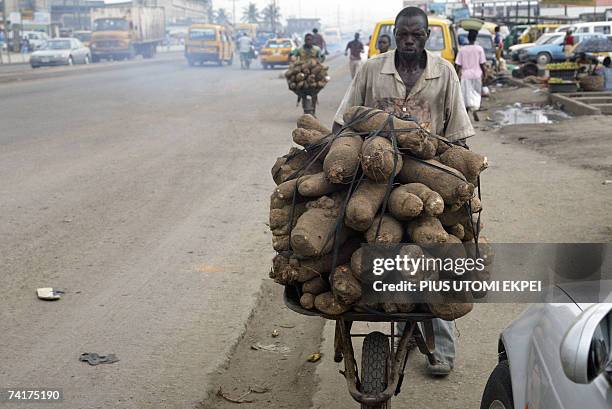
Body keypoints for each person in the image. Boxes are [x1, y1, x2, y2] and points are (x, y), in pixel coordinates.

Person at [333, 7, 474, 377]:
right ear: (395, 34)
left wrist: (466, 180)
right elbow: (343, 119)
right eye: (403, 34)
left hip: (432, 182)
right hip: (374, 178)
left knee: (439, 253)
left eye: (417, 35)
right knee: (358, 236)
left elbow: (458, 133)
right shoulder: (371, 69)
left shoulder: (443, 73)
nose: (409, 40)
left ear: (427, 36)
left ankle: (441, 347)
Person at [455, 29, 487, 116]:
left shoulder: (462, 50)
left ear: (468, 38)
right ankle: (475, 108)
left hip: (465, 75)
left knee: (465, 95)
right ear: (475, 38)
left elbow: (458, 65)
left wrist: (457, 76)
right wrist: (485, 74)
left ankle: (466, 112)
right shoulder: (479, 49)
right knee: (476, 93)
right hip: (477, 75)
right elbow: (483, 64)